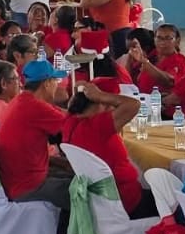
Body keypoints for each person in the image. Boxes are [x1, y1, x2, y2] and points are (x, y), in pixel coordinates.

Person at [61, 76, 153, 220]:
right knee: (173, 197)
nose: (113, 109)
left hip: (101, 200)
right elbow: (134, 105)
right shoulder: (96, 126)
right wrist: (101, 95)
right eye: (113, 104)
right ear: (101, 102)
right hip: (126, 201)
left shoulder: (70, 121)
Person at [0, 59, 75, 208]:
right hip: (26, 187)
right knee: (84, 192)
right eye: (55, 81)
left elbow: (62, 115)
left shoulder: (22, 100)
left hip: (17, 180)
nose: (57, 85)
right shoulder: (35, 107)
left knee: (72, 176)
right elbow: (75, 127)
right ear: (47, 83)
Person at [126, 24, 185, 111]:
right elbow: (129, 78)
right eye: (159, 38)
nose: (162, 42)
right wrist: (130, 57)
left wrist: (145, 62)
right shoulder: (152, 54)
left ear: (177, 41)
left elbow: (169, 81)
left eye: (168, 38)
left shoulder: (179, 60)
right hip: (142, 104)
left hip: (162, 110)